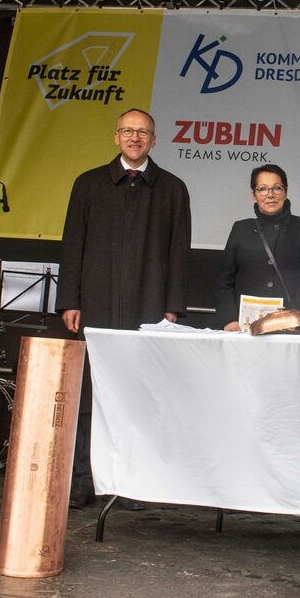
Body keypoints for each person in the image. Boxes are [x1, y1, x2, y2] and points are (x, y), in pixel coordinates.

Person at [57, 108, 191, 508]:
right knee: (88, 393)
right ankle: (83, 479)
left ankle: (131, 483)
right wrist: (70, 300)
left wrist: (172, 306)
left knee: (139, 393)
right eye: (128, 131)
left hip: (147, 306)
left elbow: (178, 252)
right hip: (95, 304)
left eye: (143, 132)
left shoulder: (172, 189)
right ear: (116, 137)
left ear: (154, 140)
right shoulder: (89, 184)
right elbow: (73, 245)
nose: (135, 138)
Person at [215, 164, 300, 330]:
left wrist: (295, 318)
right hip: (244, 327)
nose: (270, 195)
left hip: (291, 326)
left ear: (285, 192)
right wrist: (229, 319)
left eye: (277, 188)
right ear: (254, 195)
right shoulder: (240, 229)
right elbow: (224, 280)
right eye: (263, 189)